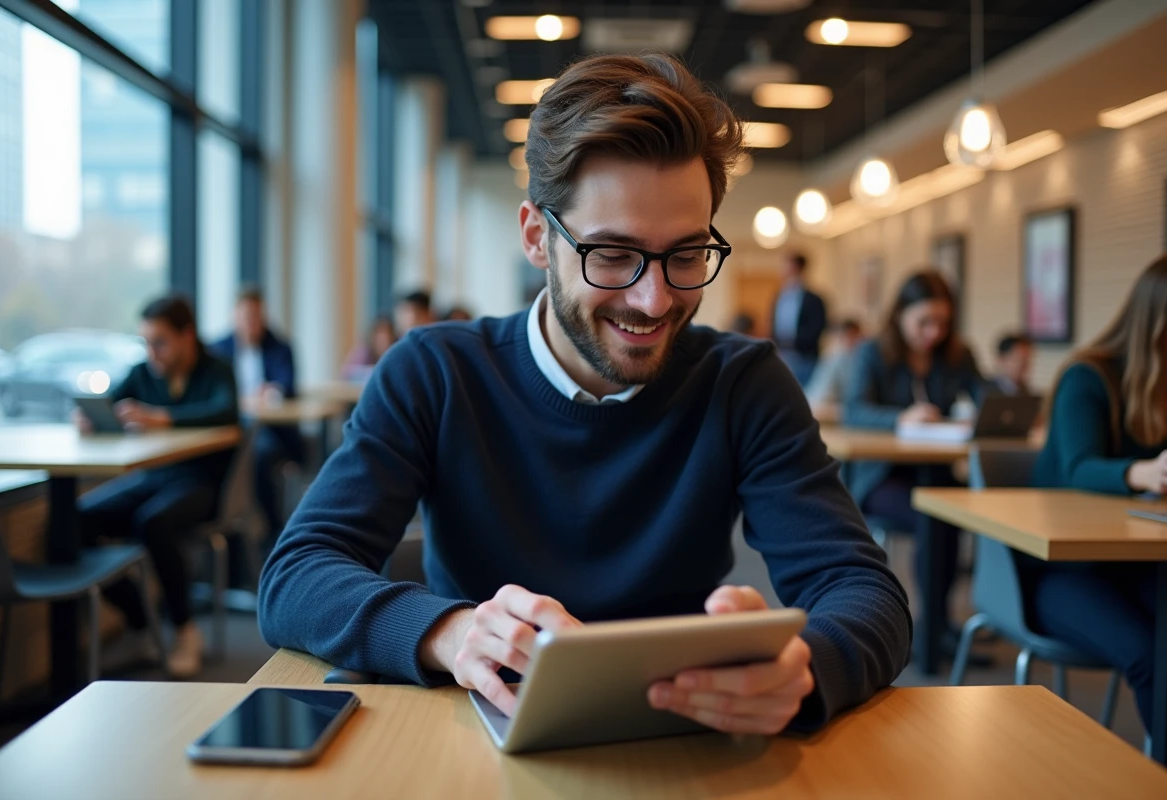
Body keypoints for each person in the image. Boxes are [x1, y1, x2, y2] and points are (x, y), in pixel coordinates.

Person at [259, 53, 910, 737]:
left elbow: (868, 594)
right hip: (471, 742)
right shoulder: (435, 372)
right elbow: (297, 573)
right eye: (613, 254)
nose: (654, 299)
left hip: (680, 743)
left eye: (686, 254)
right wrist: (451, 633)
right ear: (538, 237)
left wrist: (805, 666)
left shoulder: (742, 383)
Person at [1028, 254, 1167, 735]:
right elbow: (1078, 469)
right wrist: (1144, 472)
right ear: (1158, 321)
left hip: (1137, 560)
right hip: (1061, 568)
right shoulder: (1088, 377)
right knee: (1149, 654)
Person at [78, 295, 239, 678]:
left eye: (160, 342)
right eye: (146, 342)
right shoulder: (143, 371)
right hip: (153, 477)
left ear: (187, 336)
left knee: (153, 523)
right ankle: (140, 621)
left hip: (202, 483)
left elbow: (227, 411)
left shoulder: (217, 369)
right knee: (77, 519)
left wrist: (161, 418)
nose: (153, 352)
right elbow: (111, 404)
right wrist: (90, 418)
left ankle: (185, 630)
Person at [842, 270, 985, 648]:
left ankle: (936, 623)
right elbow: (854, 411)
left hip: (935, 470)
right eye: (924, 322)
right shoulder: (873, 352)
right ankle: (927, 630)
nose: (933, 332)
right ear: (901, 315)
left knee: (953, 511)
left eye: (942, 322)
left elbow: (986, 398)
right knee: (933, 515)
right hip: (881, 476)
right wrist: (899, 417)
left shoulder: (958, 353)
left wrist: (982, 415)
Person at [211, 287, 306, 538]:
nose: (251, 323)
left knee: (258, 453)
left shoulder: (279, 346)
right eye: (245, 316)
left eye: (255, 316)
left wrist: (271, 391)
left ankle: (270, 527)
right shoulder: (218, 349)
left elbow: (287, 386)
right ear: (234, 316)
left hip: (270, 428)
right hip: (231, 427)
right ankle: (234, 531)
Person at [770, 252, 827, 386]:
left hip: (805, 357)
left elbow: (817, 328)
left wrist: (792, 342)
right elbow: (774, 324)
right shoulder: (780, 296)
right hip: (782, 355)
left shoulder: (814, 299)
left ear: (797, 267)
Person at [805, 318, 863, 412]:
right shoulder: (837, 358)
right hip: (821, 404)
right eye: (852, 336)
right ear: (843, 337)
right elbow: (821, 397)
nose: (857, 341)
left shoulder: (855, 358)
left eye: (858, 337)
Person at [341, 315, 397, 382]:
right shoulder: (363, 351)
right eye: (380, 333)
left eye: (388, 333)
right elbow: (347, 373)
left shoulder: (395, 353)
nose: (384, 338)